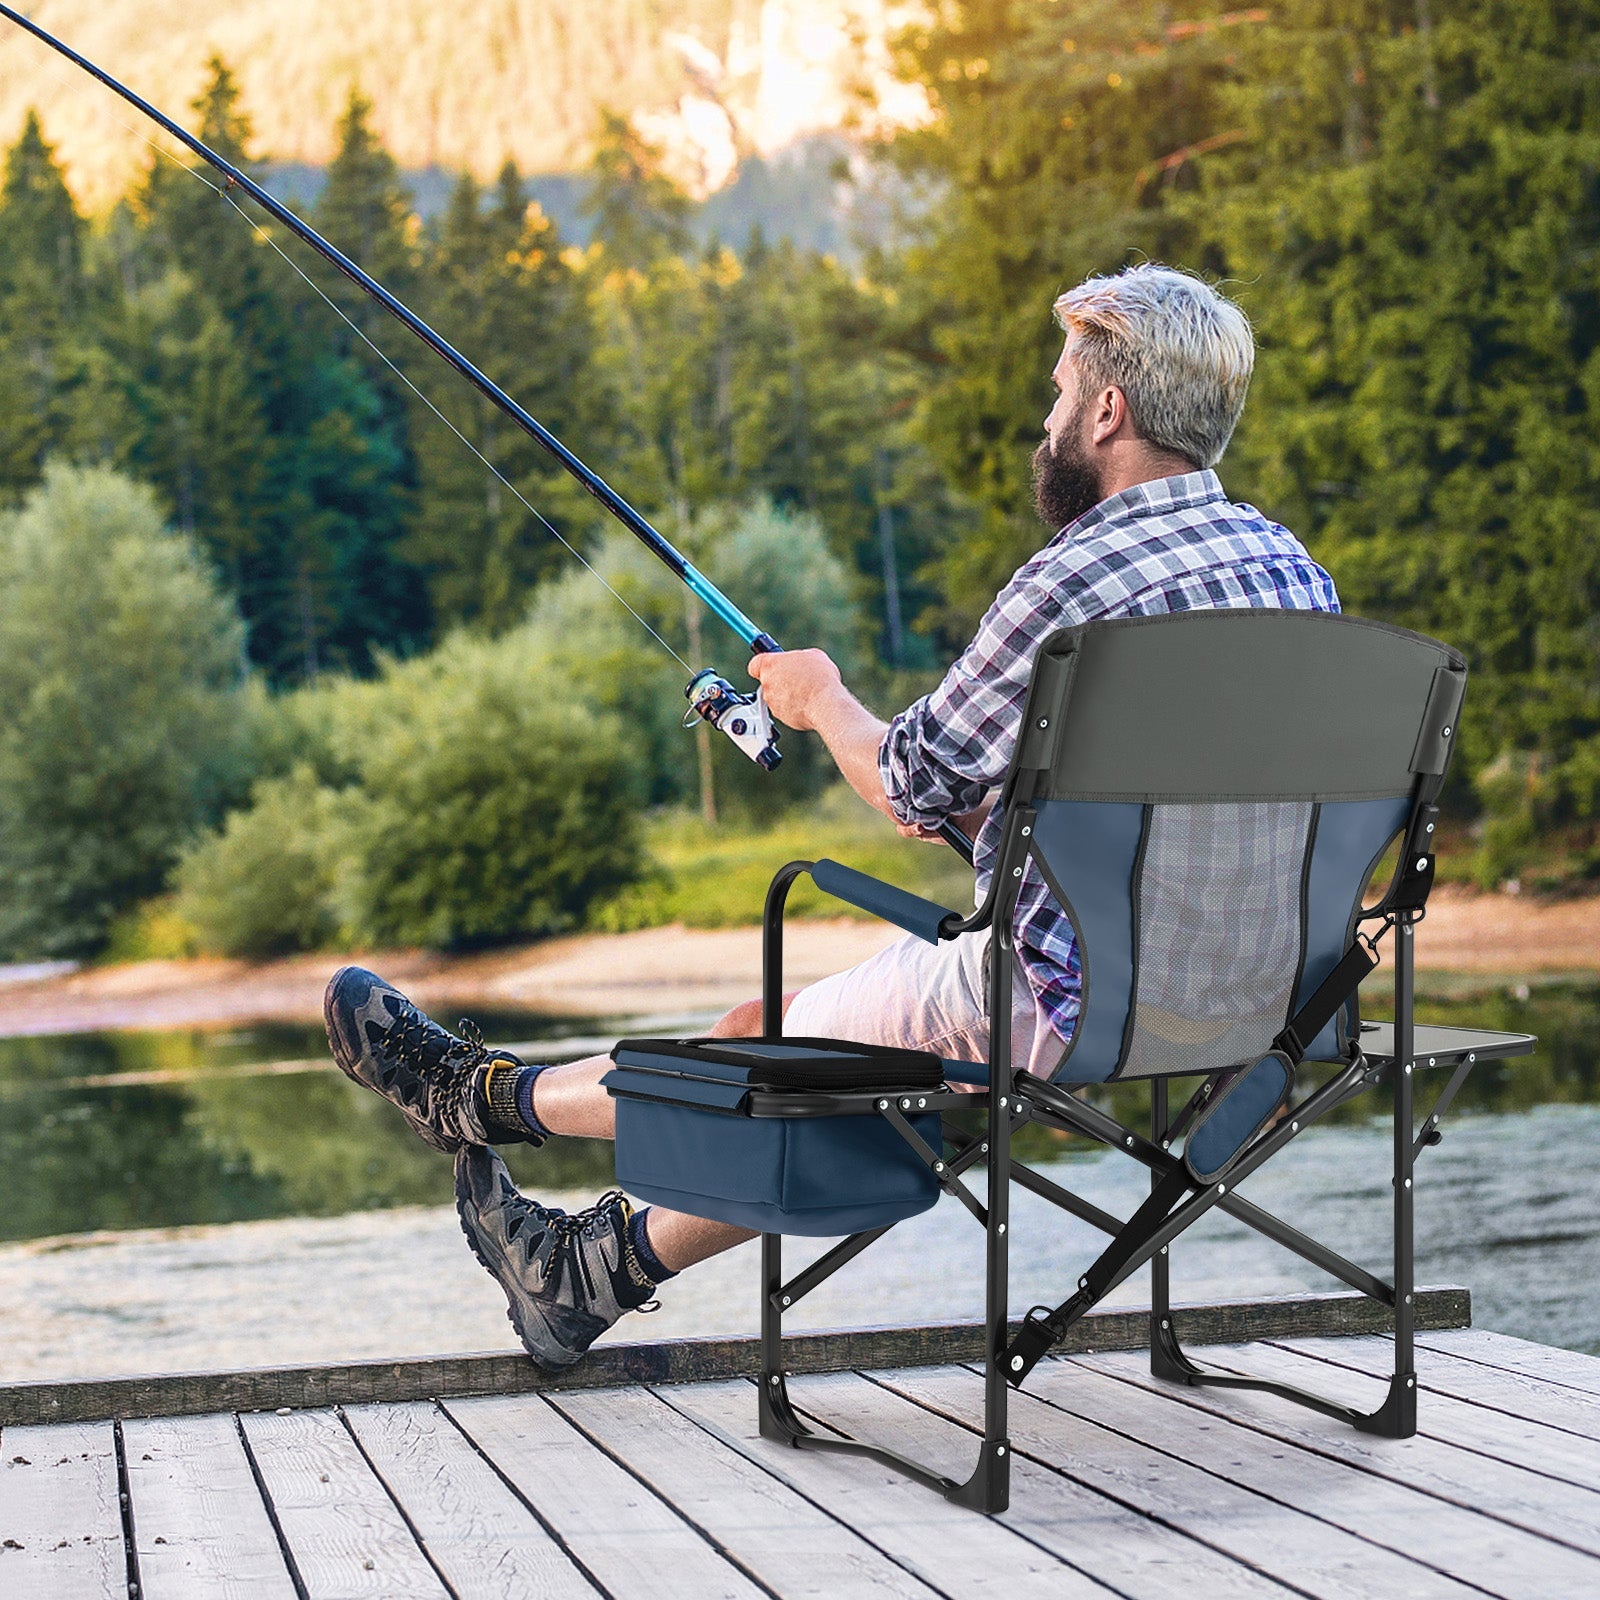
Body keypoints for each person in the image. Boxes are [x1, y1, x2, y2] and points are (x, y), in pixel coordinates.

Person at [323, 262, 1340, 1369]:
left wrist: (817, 701)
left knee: (765, 1047)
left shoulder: (1069, 582)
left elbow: (908, 780)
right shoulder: (1292, 574)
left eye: (1057, 396)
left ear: (1109, 410)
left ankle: (476, 1096)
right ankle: (588, 1272)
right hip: (1263, 1006)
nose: (1045, 422)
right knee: (825, 1059)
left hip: (1070, 1005)